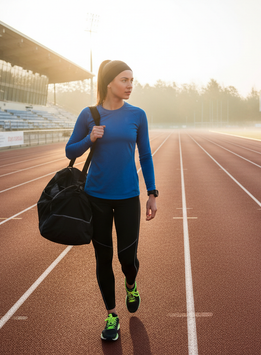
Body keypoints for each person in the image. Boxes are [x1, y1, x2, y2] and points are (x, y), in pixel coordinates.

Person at [65, 60, 158, 341]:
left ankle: (131, 283)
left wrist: (152, 193)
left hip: (129, 196)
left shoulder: (137, 115)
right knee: (103, 258)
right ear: (109, 83)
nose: (130, 85)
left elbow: (145, 155)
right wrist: (89, 139)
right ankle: (111, 316)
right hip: (97, 198)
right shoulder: (89, 114)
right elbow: (70, 150)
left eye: (132, 80)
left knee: (127, 258)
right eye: (124, 80)